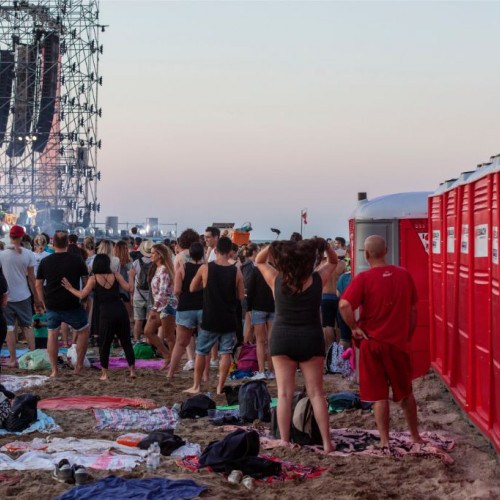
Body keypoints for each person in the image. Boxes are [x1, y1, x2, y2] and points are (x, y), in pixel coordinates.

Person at [339, 235, 423, 450]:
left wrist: (354, 327)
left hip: (372, 342)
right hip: (397, 343)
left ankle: (385, 441)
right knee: (406, 392)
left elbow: (344, 305)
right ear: (386, 250)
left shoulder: (363, 279)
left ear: (366, 254)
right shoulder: (404, 275)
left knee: (379, 396)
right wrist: (407, 335)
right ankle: (415, 437)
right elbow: (414, 310)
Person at [256, 238, 338, 453]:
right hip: (311, 337)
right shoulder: (317, 279)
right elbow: (333, 261)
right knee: (316, 393)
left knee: (284, 393)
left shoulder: (276, 279)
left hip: (282, 338)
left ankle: (284, 439)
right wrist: (324, 245)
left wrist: (273, 246)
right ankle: (327, 443)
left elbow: (259, 261)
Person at [184, 236, 245, 395]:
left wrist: (205, 286)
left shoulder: (205, 268)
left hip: (210, 317)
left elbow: (192, 288)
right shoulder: (236, 271)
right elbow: (241, 296)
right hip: (228, 317)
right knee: (225, 352)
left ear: (216, 250)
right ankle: (220, 386)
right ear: (230, 252)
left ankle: (196, 385)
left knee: (201, 352)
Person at [62, 254, 136, 381]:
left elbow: (82, 295)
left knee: (104, 343)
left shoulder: (93, 279)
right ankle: (132, 371)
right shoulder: (116, 275)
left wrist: (69, 288)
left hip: (105, 313)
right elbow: (130, 288)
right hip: (120, 310)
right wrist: (131, 276)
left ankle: (104, 373)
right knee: (126, 342)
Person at [36, 230, 89, 377]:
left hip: (52, 303)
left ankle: (54, 370)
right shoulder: (77, 259)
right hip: (72, 303)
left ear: (53, 244)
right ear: (67, 243)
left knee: (52, 334)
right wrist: (84, 299)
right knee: (83, 331)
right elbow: (85, 280)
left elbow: (38, 284)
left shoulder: (45, 261)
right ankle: (79, 367)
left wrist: (42, 301)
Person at [0, 225, 42, 366]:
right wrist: (37, 298)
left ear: (10, 236)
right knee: (28, 326)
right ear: (22, 237)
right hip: (24, 295)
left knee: (9, 328)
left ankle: (13, 359)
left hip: (7, 297)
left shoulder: (2, 255)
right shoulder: (28, 254)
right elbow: (32, 279)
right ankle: (33, 357)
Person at [167, 241, 204, 378]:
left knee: (180, 343)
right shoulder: (206, 269)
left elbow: (176, 290)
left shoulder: (182, 268)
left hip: (185, 307)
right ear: (202, 254)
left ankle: (171, 372)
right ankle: (204, 375)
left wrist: (182, 297)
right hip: (203, 307)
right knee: (203, 343)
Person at [143, 243, 176, 370]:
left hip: (166, 305)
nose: (150, 255)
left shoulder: (163, 269)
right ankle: (168, 356)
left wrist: (154, 307)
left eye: (153, 253)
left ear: (160, 255)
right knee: (148, 331)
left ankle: (172, 360)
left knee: (169, 335)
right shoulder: (159, 268)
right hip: (161, 306)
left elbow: (163, 291)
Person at [247, 264, 275, 379]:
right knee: (271, 341)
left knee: (260, 341)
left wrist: (249, 308)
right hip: (273, 308)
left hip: (258, 308)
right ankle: (271, 371)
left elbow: (250, 290)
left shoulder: (255, 270)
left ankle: (261, 371)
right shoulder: (275, 270)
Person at [128, 240, 154, 342]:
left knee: (138, 321)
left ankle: (137, 342)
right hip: (151, 297)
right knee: (149, 321)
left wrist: (131, 295)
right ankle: (148, 341)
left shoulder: (135, 263)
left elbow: (132, 281)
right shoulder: (155, 264)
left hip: (138, 296)